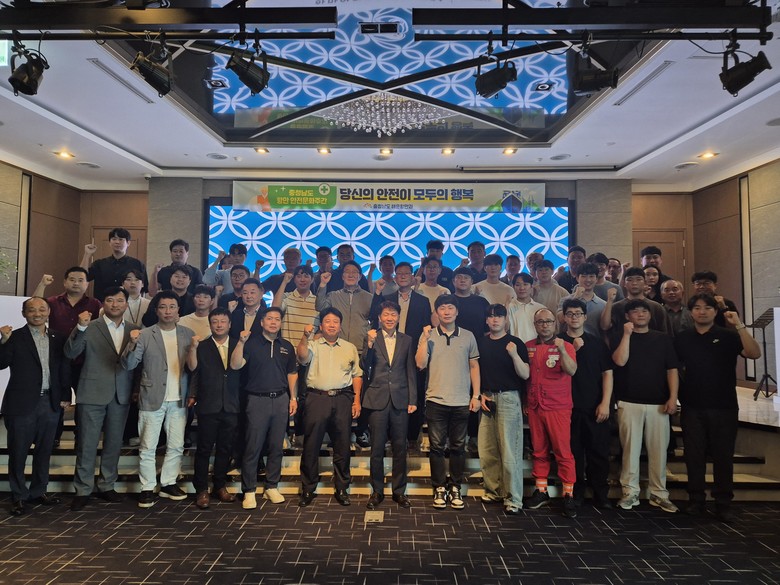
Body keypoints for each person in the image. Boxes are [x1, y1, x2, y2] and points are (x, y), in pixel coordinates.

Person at [675, 294, 761, 522]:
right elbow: (673, 369)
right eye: (697, 308)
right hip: (692, 405)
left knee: (723, 456)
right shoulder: (683, 338)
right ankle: (696, 500)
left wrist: (739, 325)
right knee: (694, 456)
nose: (702, 312)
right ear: (691, 312)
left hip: (724, 406)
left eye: (707, 308)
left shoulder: (729, 336)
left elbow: (754, 353)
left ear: (715, 311)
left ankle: (723, 503)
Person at [66, 287, 138, 511]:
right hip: (92, 392)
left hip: (121, 394)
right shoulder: (90, 326)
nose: (115, 304)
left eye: (120, 300)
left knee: (114, 443)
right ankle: (83, 489)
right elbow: (70, 353)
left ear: (126, 304)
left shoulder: (135, 330)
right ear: (103, 303)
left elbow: (137, 365)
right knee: (86, 443)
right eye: (110, 300)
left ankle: (107, 485)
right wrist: (80, 327)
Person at [122, 291, 194, 509]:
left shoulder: (188, 334)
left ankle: (169, 482)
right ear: (156, 310)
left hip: (179, 398)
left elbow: (194, 369)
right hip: (151, 397)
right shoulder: (144, 334)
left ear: (178, 310)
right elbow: (129, 364)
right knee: (147, 446)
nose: (168, 311)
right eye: (163, 307)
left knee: (176, 445)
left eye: (172, 306)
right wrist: (132, 343)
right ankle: (147, 487)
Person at [0, 297, 70, 515]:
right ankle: (18, 495)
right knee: (18, 452)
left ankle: (39, 490)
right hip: (21, 404)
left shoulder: (58, 337)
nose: (37, 313)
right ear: (24, 313)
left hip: (50, 402)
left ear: (49, 312)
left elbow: (64, 368)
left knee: (44, 451)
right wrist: (3, 341)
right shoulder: (14, 337)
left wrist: (65, 394)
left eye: (41, 309)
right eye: (31, 310)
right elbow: (1, 363)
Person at [611, 299, 679, 513]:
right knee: (630, 451)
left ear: (650, 315)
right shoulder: (620, 336)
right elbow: (619, 361)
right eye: (635, 311)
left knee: (659, 451)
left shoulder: (663, 339)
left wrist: (673, 397)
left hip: (659, 403)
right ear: (627, 316)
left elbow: (672, 369)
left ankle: (659, 493)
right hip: (629, 401)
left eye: (644, 311)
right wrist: (627, 335)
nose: (640, 314)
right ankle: (629, 492)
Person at [416, 295, 481, 510]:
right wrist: (425, 339)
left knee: (458, 447)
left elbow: (474, 367)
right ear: (436, 312)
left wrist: (476, 395)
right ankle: (439, 487)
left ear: (457, 311)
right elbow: (420, 364)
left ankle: (455, 486)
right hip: (436, 399)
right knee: (436, 447)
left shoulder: (468, 336)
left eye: (450, 307)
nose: (446, 311)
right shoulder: (428, 335)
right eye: (442, 308)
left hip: (461, 400)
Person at [231, 307, 298, 508]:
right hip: (257, 400)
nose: (273, 322)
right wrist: (240, 342)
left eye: (277, 319)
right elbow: (235, 365)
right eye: (269, 318)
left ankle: (271, 486)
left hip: (281, 399)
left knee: (276, 447)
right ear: (261, 322)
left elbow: (292, 373)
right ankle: (249, 490)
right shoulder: (250, 343)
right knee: (253, 446)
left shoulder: (286, 346)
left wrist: (293, 398)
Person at [296, 308, 362, 507]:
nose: (332, 325)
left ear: (340, 326)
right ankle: (308, 488)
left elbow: (356, 375)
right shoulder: (312, 345)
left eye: (335, 321)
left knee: (342, 446)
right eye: (327, 321)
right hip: (317, 398)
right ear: (321, 325)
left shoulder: (349, 347)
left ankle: (342, 488)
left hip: (343, 398)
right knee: (311, 445)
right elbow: (302, 357)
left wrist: (356, 400)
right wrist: (305, 336)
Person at [33, 267, 102, 446]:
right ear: (65, 282)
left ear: (87, 284)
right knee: (55, 399)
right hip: (56, 358)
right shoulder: (53, 302)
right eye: (72, 279)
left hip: (84, 360)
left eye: (80, 280)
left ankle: (82, 437)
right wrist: (42, 284)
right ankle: (53, 436)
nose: (76, 283)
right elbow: (35, 305)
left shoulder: (95, 304)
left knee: (84, 401)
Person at [369, 262, 432, 449]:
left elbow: (426, 327)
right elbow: (373, 317)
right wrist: (377, 294)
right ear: (395, 277)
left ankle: (412, 436)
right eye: (399, 274)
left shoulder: (423, 300)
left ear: (413, 277)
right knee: (389, 394)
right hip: (388, 351)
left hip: (413, 352)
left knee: (414, 392)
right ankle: (389, 436)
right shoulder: (387, 298)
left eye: (406, 273)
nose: (403, 276)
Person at [362, 301, 417, 510]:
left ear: (398, 317)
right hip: (377, 398)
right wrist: (368, 346)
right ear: (379, 317)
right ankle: (377, 491)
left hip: (400, 398)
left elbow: (410, 370)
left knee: (400, 447)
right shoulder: (371, 337)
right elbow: (364, 365)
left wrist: (412, 399)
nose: (390, 318)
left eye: (393, 314)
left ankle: (399, 491)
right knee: (376, 448)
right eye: (386, 314)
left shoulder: (407, 340)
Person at [524, 308, 578, 518]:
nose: (544, 325)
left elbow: (572, 370)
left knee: (563, 452)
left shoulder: (566, 346)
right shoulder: (528, 346)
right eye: (540, 322)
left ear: (555, 324)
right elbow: (525, 376)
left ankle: (568, 494)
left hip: (558, 407)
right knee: (539, 450)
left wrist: (562, 350)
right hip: (535, 406)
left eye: (548, 321)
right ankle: (541, 490)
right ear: (535, 325)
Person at [560, 298, 614, 509]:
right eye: (570, 314)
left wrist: (605, 403)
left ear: (585, 317)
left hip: (594, 405)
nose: (574, 317)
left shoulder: (597, 342)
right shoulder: (558, 342)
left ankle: (601, 493)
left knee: (598, 452)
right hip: (567, 408)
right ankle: (576, 493)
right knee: (573, 453)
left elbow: (607, 373)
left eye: (578, 314)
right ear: (564, 317)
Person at [187, 308, 241, 510]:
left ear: (230, 324)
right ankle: (201, 489)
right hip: (208, 405)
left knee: (226, 448)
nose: (219, 325)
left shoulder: (238, 344)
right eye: (215, 322)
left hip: (232, 404)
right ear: (210, 325)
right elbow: (193, 370)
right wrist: (192, 349)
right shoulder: (201, 346)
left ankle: (220, 485)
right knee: (204, 449)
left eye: (223, 321)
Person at [477, 304, 529, 515]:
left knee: (510, 451)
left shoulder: (515, 343)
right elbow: (476, 371)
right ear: (486, 320)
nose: (495, 320)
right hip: (487, 397)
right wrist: (480, 394)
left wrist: (514, 355)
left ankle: (514, 498)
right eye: (491, 316)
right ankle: (494, 491)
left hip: (508, 397)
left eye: (499, 316)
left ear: (506, 319)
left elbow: (525, 374)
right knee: (487, 450)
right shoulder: (481, 342)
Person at [80, 228, 148, 301]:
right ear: (110, 242)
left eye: (121, 239)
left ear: (128, 243)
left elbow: (144, 288)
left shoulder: (137, 264)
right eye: (114, 239)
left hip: (128, 305)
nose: (117, 242)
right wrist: (87, 254)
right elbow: (82, 276)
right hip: (102, 304)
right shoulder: (99, 264)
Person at [557, 262, 606, 337]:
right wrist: (575, 298)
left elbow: (605, 328)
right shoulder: (565, 300)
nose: (588, 280)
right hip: (568, 342)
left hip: (593, 342)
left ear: (596, 279)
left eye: (591, 276)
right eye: (584, 276)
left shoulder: (603, 305)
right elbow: (561, 319)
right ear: (577, 278)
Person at [506, 272, 546, 343]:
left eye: (525, 284)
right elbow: (505, 328)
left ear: (531, 286)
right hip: (516, 347)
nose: (522, 288)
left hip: (537, 346)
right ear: (513, 287)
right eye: (518, 285)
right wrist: (506, 305)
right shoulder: (508, 307)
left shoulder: (541, 309)